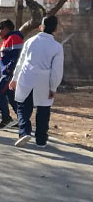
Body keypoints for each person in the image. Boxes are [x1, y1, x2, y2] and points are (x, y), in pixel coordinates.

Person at [9, 16, 64, 148]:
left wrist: (15, 78)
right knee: (43, 110)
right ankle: (41, 139)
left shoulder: (30, 41)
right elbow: (57, 70)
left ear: (41, 27)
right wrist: (53, 88)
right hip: (44, 81)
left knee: (23, 107)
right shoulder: (57, 47)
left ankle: (24, 132)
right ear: (55, 29)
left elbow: (21, 61)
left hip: (26, 77)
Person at [0, 19, 24, 129]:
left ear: (8, 29)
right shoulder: (6, 40)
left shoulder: (14, 37)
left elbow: (17, 55)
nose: (0, 31)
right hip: (6, 73)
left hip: (10, 74)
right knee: (11, 97)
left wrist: (9, 69)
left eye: (2, 29)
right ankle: (23, 120)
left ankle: (6, 118)